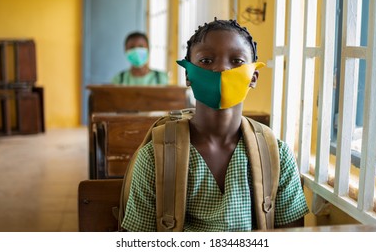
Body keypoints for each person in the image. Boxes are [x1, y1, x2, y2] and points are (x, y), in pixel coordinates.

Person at [121, 18, 309, 231]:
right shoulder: (156, 157)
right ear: (188, 75)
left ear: (253, 77)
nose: (221, 68)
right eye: (207, 61)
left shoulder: (277, 154)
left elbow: (292, 237)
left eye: (237, 61)